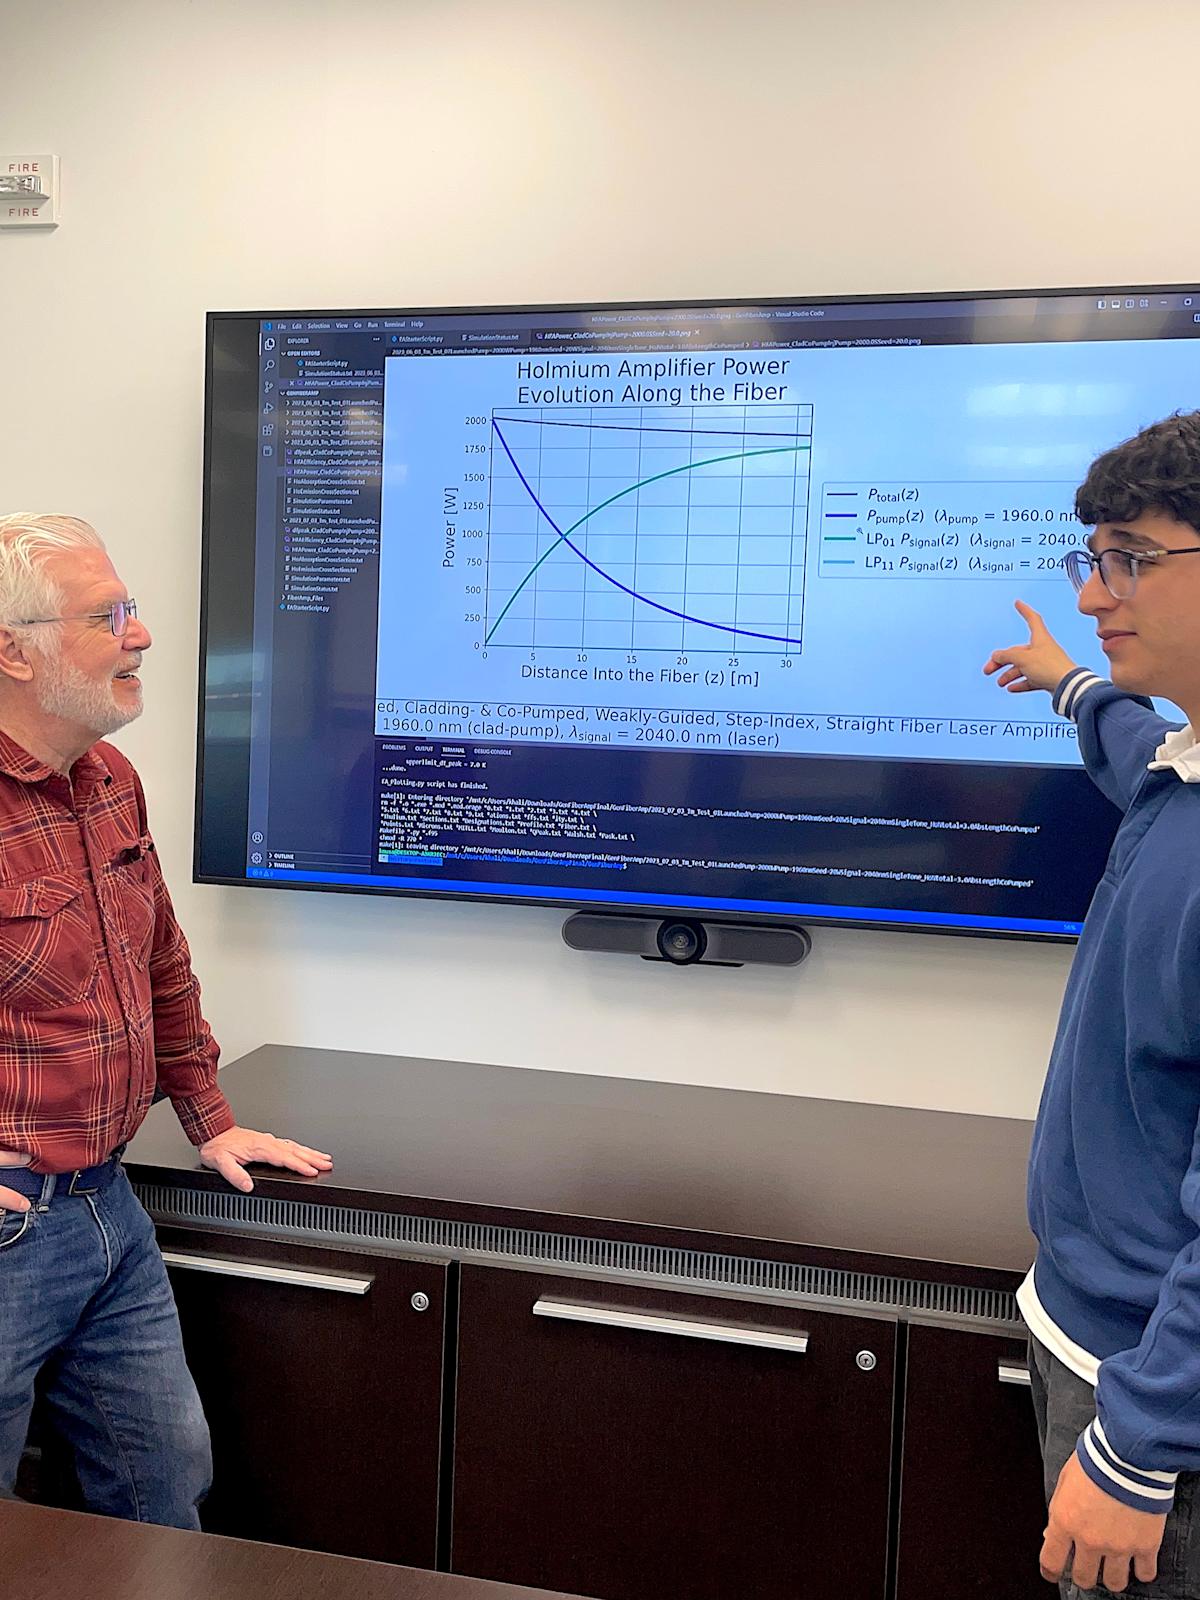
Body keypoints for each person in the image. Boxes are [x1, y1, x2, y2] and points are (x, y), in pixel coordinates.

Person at [0, 513, 333, 1529]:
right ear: (14, 651)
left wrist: (208, 1116)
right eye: (107, 618)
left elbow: (159, 964)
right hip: (11, 1224)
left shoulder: (113, 781)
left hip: (109, 1207)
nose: (140, 635)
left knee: (166, 1480)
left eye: (131, 609)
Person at [985, 411, 1200, 1597]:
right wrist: (1067, 682)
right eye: (1094, 558)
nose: (1091, 592)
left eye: (1131, 559)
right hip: (1093, 1332)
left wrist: (1137, 1446)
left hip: (1152, 1397)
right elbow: (1131, 744)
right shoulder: (1180, 772)